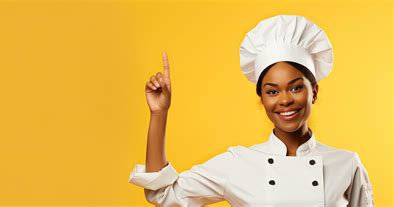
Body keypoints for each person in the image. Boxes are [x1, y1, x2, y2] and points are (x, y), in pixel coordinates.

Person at [128, 14, 374, 206]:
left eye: (296, 87)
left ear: (315, 92)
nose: (285, 100)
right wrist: (159, 114)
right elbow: (164, 194)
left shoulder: (346, 164)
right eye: (272, 91)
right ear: (262, 99)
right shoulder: (239, 163)